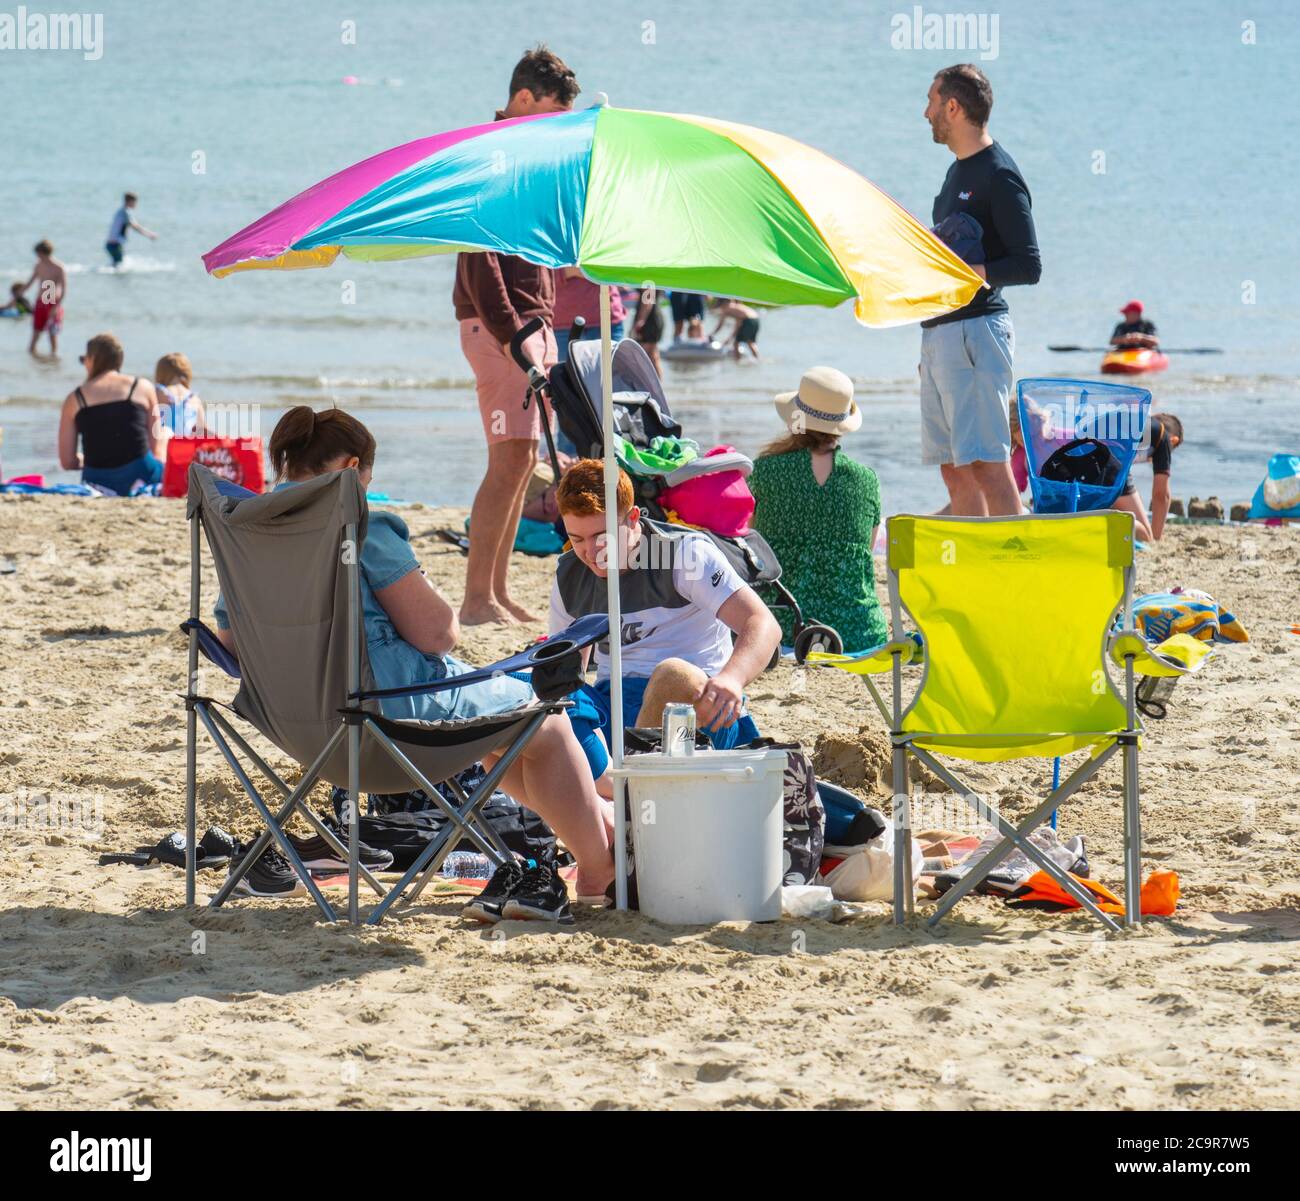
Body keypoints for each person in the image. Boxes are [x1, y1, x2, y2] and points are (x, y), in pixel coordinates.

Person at [211, 406, 615, 919]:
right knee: (546, 719)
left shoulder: (247, 535)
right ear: (355, 468)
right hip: (389, 729)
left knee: (499, 737)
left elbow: (228, 642)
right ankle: (598, 871)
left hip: (298, 733)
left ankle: (591, 828)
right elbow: (438, 636)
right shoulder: (362, 528)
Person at [551, 459, 781, 791]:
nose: (590, 551)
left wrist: (732, 679)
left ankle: (631, 792)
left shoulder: (684, 554)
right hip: (612, 706)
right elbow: (566, 675)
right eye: (577, 539)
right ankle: (623, 791)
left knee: (673, 675)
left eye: (602, 536)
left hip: (692, 706)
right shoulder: (568, 576)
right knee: (539, 698)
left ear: (632, 519)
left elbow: (763, 624)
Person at [454, 45, 580, 626]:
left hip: (533, 326)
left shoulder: (530, 160)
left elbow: (533, 251)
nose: (558, 126)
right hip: (505, 329)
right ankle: (477, 599)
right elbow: (480, 260)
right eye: (552, 112)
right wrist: (516, 336)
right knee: (508, 462)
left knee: (525, 461)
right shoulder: (492, 157)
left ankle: (497, 592)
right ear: (522, 98)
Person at [920, 64, 1041, 517]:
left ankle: (1014, 559)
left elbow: (1028, 265)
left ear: (953, 107)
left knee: (987, 463)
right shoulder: (956, 174)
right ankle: (974, 560)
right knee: (952, 467)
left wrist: (965, 272)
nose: (926, 112)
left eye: (932, 101)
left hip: (978, 332)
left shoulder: (999, 175)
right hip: (943, 333)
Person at [750, 367, 887, 653]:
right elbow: (867, 549)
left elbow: (747, 543)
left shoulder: (765, 471)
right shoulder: (866, 480)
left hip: (784, 626)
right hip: (857, 630)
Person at [58, 333, 166, 494]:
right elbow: (155, 446)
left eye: (84, 359)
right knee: (166, 433)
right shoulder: (142, 387)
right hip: (141, 474)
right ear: (119, 360)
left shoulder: (75, 399)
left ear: (92, 359)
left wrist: (84, 459)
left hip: (96, 480)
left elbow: (67, 462)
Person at [1113, 412, 1182, 541]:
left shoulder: (1139, 425)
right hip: (1110, 466)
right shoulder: (1163, 435)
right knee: (1144, 536)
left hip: (1082, 459)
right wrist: (1154, 537)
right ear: (1173, 440)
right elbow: (1161, 495)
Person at [553, 268, 625, 359]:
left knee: (613, 370)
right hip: (562, 325)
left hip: (607, 320)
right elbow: (541, 274)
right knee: (566, 372)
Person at [24, 240, 67, 357]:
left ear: (44, 252)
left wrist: (56, 307)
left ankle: (53, 358)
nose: (37, 256)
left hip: (53, 303)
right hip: (40, 302)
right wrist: (19, 293)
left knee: (52, 334)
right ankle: (32, 359)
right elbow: (30, 283)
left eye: (38, 253)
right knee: (36, 332)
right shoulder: (38, 265)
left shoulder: (59, 268)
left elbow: (63, 289)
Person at [153, 352, 207, 438]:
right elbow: (203, 430)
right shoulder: (194, 398)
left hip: (164, 444)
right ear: (187, 373)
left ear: (160, 373)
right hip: (185, 446)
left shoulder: (159, 391)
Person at [105, 192, 157, 267]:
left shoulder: (121, 211)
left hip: (111, 244)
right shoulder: (125, 213)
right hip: (114, 245)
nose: (136, 204)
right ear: (130, 201)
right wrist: (149, 235)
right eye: (135, 202)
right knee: (119, 267)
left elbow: (134, 225)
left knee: (117, 265)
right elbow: (135, 226)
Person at [628, 286, 664, 375]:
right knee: (653, 355)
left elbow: (648, 299)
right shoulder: (653, 276)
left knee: (644, 356)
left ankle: (651, 386)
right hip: (653, 317)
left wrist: (640, 321)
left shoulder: (647, 278)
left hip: (649, 320)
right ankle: (659, 386)